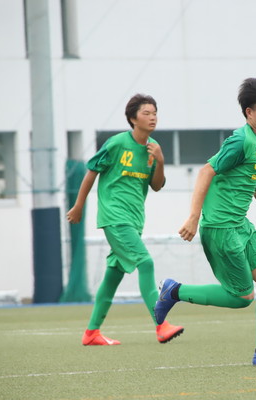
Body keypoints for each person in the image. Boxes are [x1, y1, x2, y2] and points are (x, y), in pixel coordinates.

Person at [153, 78, 256, 366]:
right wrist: (193, 217)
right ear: (248, 112)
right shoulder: (241, 140)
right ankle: (175, 290)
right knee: (242, 297)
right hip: (220, 228)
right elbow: (206, 171)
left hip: (241, 226)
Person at [67, 94, 184, 346]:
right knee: (146, 262)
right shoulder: (117, 143)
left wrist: (161, 160)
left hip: (134, 220)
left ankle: (91, 333)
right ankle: (161, 324)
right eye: (146, 113)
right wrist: (78, 206)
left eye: (154, 112)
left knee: (113, 275)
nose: (152, 117)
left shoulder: (153, 148)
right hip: (115, 218)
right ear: (133, 118)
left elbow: (156, 185)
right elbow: (91, 172)